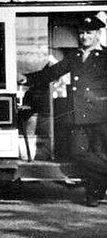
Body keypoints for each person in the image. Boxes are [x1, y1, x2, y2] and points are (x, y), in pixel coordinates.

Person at [19, 15, 107, 206]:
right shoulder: (75, 56)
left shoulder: (105, 57)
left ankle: (94, 195)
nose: (84, 37)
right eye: (81, 33)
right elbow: (52, 73)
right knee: (79, 153)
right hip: (78, 115)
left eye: (88, 33)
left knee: (99, 154)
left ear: (98, 35)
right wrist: (27, 79)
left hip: (101, 115)